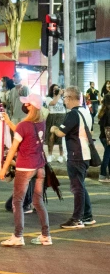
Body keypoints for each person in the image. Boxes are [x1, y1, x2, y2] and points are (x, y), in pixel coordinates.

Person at [0, 94, 51, 246]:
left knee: (17, 202)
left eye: (26, 104)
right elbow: (25, 134)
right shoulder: (41, 122)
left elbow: (14, 147)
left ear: (30, 106)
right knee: (38, 201)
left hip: (25, 166)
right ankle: (46, 235)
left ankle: (18, 236)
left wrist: (4, 169)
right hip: (39, 166)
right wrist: (9, 122)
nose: (24, 106)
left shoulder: (24, 125)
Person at [50, 86, 95, 229]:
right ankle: (87, 216)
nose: (64, 101)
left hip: (76, 154)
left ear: (70, 98)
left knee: (77, 188)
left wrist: (53, 129)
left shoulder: (73, 114)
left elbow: (61, 133)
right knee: (81, 185)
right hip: (85, 154)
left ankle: (77, 219)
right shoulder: (86, 112)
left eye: (64, 98)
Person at [45, 84, 66, 163]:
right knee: (51, 137)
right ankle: (50, 155)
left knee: (61, 137)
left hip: (62, 117)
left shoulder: (61, 97)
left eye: (57, 88)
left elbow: (66, 104)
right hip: (52, 117)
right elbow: (53, 103)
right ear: (51, 90)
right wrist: (58, 95)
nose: (56, 90)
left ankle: (61, 155)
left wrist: (64, 95)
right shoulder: (48, 98)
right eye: (54, 89)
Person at [98, 94, 110, 183]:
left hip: (103, 137)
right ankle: (102, 175)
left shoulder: (103, 111)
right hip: (107, 138)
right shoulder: (108, 112)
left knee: (108, 156)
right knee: (106, 157)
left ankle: (107, 175)